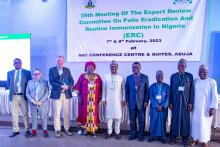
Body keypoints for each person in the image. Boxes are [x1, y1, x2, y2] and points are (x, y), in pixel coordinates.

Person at [191, 65, 218, 147]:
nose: (202, 72)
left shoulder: (212, 81)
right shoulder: (195, 81)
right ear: (198, 72)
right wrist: (190, 104)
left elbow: (214, 96)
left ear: (207, 72)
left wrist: (212, 108)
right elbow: (191, 94)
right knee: (195, 123)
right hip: (196, 107)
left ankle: (205, 141)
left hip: (206, 108)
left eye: (204, 71)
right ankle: (195, 139)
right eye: (200, 71)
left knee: (205, 124)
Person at [169, 58, 194, 147]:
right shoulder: (173, 76)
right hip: (175, 102)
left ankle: (185, 139)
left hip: (185, 102)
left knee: (185, 120)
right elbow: (171, 90)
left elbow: (192, 91)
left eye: (182, 65)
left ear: (185, 66)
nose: (181, 67)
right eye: (179, 65)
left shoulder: (189, 76)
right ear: (177, 66)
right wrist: (170, 102)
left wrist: (190, 102)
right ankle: (173, 137)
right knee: (174, 119)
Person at [73, 61, 102, 137]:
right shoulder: (82, 76)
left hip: (94, 101)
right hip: (84, 100)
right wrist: (79, 97)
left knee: (93, 115)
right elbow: (77, 87)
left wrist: (101, 97)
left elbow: (102, 88)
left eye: (92, 68)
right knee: (85, 114)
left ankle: (92, 130)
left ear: (94, 68)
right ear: (86, 68)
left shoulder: (97, 77)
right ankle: (85, 130)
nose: (90, 69)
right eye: (88, 67)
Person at [49, 55, 74, 138]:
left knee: (66, 113)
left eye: (61, 60)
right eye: (58, 60)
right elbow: (51, 82)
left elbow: (72, 80)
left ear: (63, 62)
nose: (60, 62)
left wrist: (68, 86)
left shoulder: (67, 70)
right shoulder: (51, 70)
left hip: (66, 95)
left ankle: (67, 129)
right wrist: (61, 86)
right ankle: (57, 130)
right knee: (57, 113)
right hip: (56, 95)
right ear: (56, 61)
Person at [6, 58, 32, 138]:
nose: (17, 64)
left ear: (21, 64)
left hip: (23, 96)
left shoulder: (27, 72)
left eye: (18, 63)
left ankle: (27, 130)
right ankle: (15, 130)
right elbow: (8, 83)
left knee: (25, 114)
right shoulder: (9, 73)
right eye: (15, 63)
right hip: (13, 96)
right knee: (14, 114)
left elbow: (30, 84)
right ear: (13, 64)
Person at [125, 62, 149, 141]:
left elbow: (147, 91)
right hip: (131, 102)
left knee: (141, 120)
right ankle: (133, 134)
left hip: (141, 103)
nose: (135, 69)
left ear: (140, 68)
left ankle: (141, 135)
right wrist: (127, 101)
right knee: (132, 120)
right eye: (134, 67)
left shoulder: (145, 77)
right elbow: (126, 91)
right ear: (132, 68)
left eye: (137, 67)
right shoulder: (128, 78)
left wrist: (146, 101)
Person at [102, 60, 125, 140]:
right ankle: (109, 132)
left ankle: (117, 132)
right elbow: (104, 89)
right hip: (108, 100)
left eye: (115, 66)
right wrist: (104, 99)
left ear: (117, 67)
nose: (113, 68)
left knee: (117, 117)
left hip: (118, 100)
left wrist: (123, 99)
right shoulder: (106, 76)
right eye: (112, 67)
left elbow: (124, 90)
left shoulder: (121, 77)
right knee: (109, 117)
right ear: (110, 68)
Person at [26, 68, 49, 137]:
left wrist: (41, 101)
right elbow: (27, 93)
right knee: (34, 117)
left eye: (38, 74)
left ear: (40, 74)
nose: (36, 75)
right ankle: (34, 131)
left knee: (43, 117)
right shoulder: (29, 82)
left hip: (42, 103)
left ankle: (45, 131)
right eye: (34, 74)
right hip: (33, 103)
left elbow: (47, 92)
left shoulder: (45, 82)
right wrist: (33, 101)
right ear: (32, 75)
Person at [148, 70, 170, 143]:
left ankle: (163, 136)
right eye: (158, 75)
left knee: (162, 122)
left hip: (163, 108)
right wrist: (156, 105)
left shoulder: (167, 87)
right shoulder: (152, 86)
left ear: (163, 77)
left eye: (161, 75)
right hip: (154, 107)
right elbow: (150, 96)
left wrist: (162, 105)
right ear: (156, 77)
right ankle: (152, 136)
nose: (160, 77)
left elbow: (168, 97)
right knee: (153, 121)